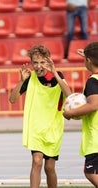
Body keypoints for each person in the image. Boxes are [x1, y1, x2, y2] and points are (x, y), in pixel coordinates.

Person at [9, 45, 72, 188]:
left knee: (49, 167)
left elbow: (69, 95)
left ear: (48, 62)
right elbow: (12, 99)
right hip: (36, 128)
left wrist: (55, 73)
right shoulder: (29, 78)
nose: (38, 66)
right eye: (35, 62)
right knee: (37, 161)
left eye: (42, 62)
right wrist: (21, 81)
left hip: (53, 128)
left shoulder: (58, 77)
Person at [63, 42, 98, 187]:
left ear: (88, 60)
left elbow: (94, 105)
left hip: (95, 138)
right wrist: (90, 55)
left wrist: (70, 113)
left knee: (91, 172)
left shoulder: (92, 81)